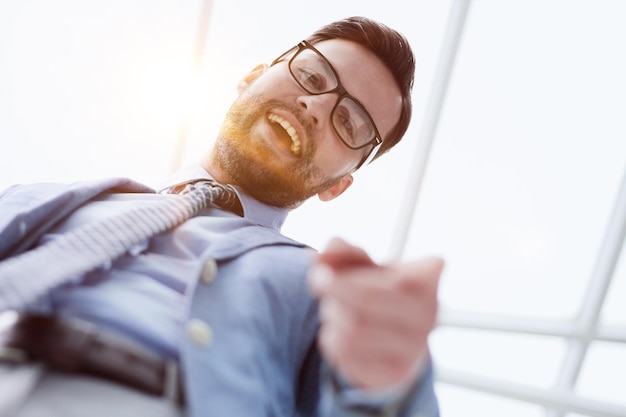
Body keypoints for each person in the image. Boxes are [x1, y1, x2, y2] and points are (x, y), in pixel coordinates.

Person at [0, 16, 443, 417]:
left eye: (350, 124)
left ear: (337, 185)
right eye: (311, 75)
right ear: (252, 76)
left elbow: (379, 403)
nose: (317, 105)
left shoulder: (323, 293)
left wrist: (390, 382)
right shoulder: (42, 200)